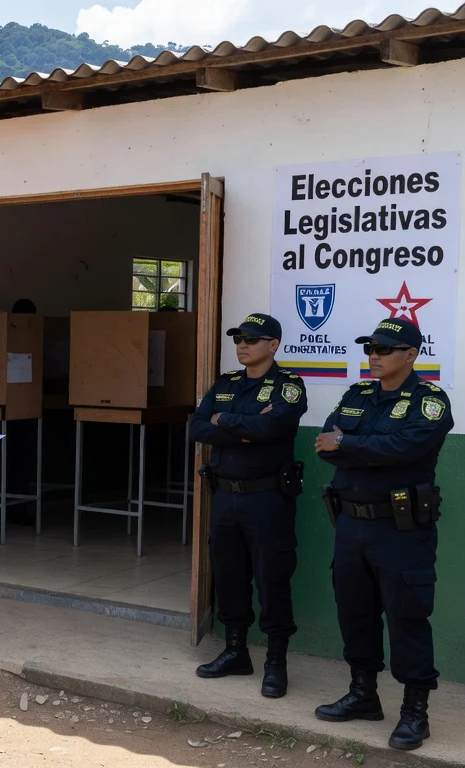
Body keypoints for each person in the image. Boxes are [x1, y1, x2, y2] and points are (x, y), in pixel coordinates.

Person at [313, 318, 450, 752]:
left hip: (400, 528)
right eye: (370, 347)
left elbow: (405, 449)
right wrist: (355, 448)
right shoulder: (358, 395)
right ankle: (363, 694)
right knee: (355, 610)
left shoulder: (429, 401)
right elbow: (325, 441)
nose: (374, 355)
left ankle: (414, 712)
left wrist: (350, 447)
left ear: (411, 355)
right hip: (351, 523)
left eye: (385, 349)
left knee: (406, 614)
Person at [189, 313, 307, 697]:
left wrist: (225, 424)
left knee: (272, 578)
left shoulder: (288, 387)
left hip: (266, 499)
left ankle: (276, 661)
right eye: (239, 338)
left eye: (252, 339)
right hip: (224, 496)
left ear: (273, 345)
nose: (242, 344)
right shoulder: (227, 383)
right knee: (229, 574)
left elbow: (274, 428)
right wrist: (244, 427)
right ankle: (236, 651)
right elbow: (197, 428)